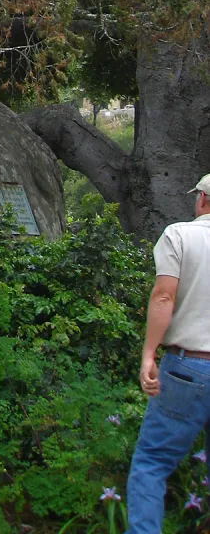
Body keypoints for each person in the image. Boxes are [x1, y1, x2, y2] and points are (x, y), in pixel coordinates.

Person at [126, 174, 210, 533]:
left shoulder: (180, 235)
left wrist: (148, 354)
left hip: (187, 367)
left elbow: (163, 296)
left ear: (203, 199)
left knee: (152, 461)